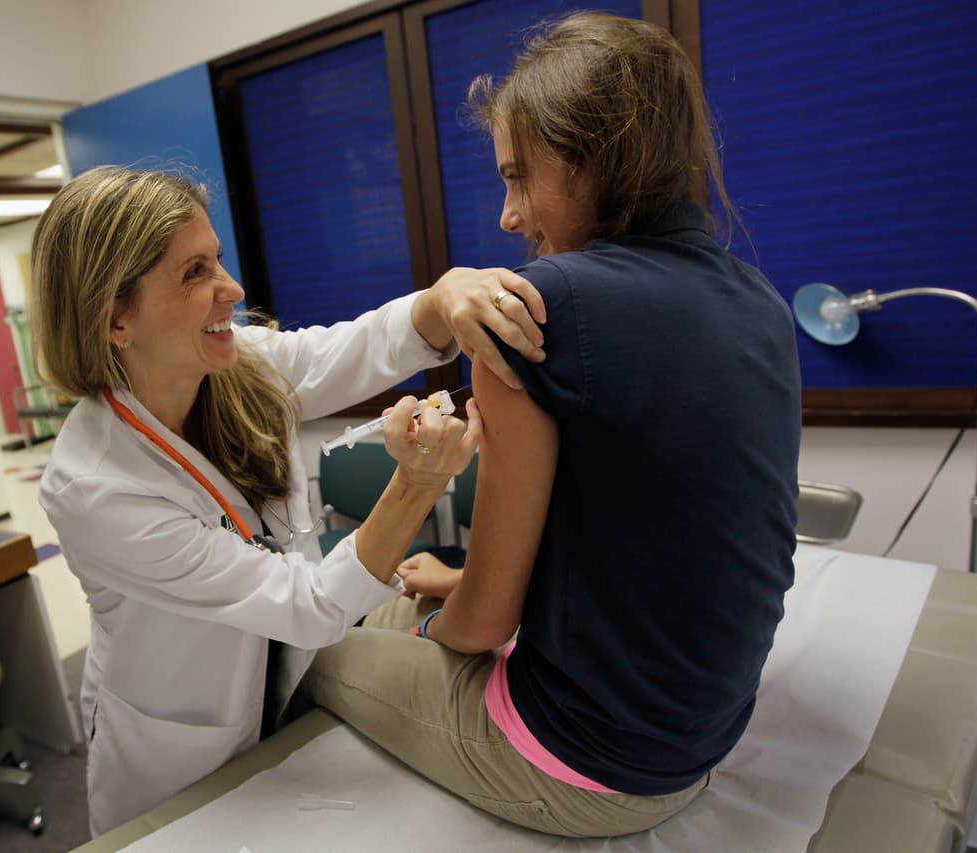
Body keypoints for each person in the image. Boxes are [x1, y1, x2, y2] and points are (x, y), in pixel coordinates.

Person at [302, 12, 802, 838]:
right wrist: (456, 587)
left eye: (517, 178)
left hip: (585, 767)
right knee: (407, 595)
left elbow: (486, 627)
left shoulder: (536, 309)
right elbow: (646, 544)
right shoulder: (759, 303)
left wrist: (441, 624)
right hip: (702, 735)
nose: (507, 216)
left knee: (312, 646)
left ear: (589, 157)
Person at [29, 165, 550, 835]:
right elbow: (310, 605)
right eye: (194, 273)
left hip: (286, 684)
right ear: (115, 319)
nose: (232, 289)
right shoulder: (95, 487)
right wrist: (416, 483)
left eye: (217, 259)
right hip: (178, 749)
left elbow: (350, 349)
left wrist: (444, 295)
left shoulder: (234, 367)